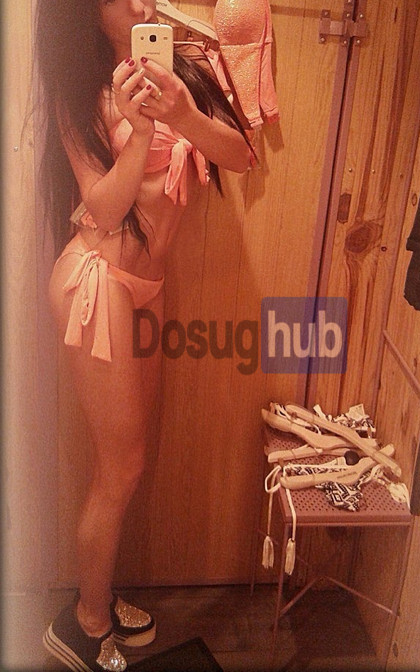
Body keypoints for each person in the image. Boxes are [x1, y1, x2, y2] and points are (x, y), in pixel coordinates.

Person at [35, 1, 251, 670]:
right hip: (96, 284)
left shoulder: (185, 71)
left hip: (146, 288)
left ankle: (99, 597)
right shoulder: (80, 92)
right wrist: (138, 133)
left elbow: (240, 156)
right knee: (120, 467)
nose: (141, 2)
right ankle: (84, 623)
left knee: (130, 459)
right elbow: (102, 209)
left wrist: (182, 114)